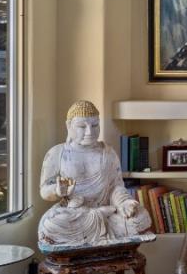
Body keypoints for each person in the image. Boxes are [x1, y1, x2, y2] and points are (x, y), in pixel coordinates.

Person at [38, 100, 153, 246]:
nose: (89, 132)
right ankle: (100, 217)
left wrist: (124, 203)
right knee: (50, 224)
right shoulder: (57, 153)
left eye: (95, 125)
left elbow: (116, 186)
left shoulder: (108, 152)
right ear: (68, 126)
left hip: (108, 209)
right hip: (74, 212)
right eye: (81, 126)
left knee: (141, 218)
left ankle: (100, 218)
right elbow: (44, 191)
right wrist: (56, 190)